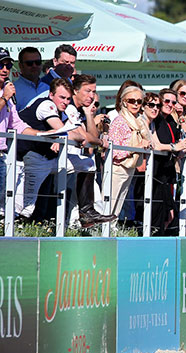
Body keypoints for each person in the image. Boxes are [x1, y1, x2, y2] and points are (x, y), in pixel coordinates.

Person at [16, 78, 88, 220]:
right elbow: (64, 131)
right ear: (51, 95)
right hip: (26, 158)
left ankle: (87, 211)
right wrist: (66, 136)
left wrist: (62, 138)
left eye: (68, 98)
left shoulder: (66, 109)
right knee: (24, 207)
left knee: (88, 164)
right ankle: (13, 235)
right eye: (62, 97)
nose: (65, 102)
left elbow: (79, 134)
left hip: (46, 158)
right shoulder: (46, 105)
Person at [64, 74, 115, 226]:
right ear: (75, 91)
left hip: (71, 160)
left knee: (88, 164)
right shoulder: (70, 107)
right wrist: (101, 141)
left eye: (93, 92)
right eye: (87, 91)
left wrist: (88, 113)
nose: (91, 96)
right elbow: (85, 136)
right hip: (47, 155)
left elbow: (90, 137)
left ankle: (87, 212)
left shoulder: (81, 110)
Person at [0, 47, 42, 217]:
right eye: (0, 65)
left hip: (3, 153)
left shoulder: (8, 91)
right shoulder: (7, 94)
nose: (5, 70)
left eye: (8, 66)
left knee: (3, 204)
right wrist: (4, 98)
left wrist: (42, 134)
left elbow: (17, 123)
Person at [151, 88, 186, 235]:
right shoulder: (156, 120)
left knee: (169, 215)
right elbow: (157, 144)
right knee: (162, 216)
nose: (170, 104)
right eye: (166, 101)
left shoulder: (170, 121)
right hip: (156, 173)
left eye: (173, 102)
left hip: (168, 174)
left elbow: (180, 142)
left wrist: (184, 149)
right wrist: (175, 147)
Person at [107, 86, 151, 219]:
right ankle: (103, 231)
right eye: (132, 101)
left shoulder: (139, 122)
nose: (136, 104)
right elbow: (114, 151)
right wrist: (137, 147)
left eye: (139, 101)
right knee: (110, 203)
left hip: (130, 166)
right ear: (124, 102)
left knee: (119, 204)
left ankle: (111, 230)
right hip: (117, 166)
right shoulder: (119, 121)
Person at [13, 47, 48, 111]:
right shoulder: (13, 91)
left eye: (37, 62)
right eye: (29, 63)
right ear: (20, 66)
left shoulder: (48, 88)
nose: (34, 66)